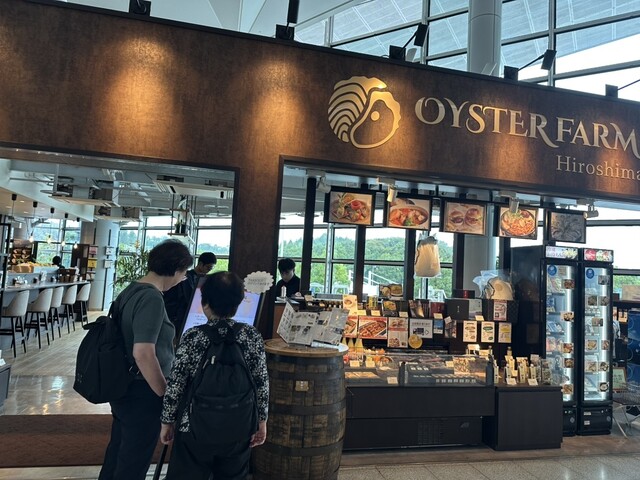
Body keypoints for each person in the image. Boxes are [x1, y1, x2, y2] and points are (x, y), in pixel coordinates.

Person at [98, 239, 193, 480]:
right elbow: (143, 353)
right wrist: (164, 393)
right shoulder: (151, 298)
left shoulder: (131, 290)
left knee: (119, 452)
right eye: (184, 272)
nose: (183, 279)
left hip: (124, 386)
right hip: (143, 391)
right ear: (176, 268)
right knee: (133, 461)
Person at [160, 271, 268, 479]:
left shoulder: (193, 336)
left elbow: (176, 384)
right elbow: (261, 382)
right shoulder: (252, 335)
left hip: (193, 426)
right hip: (239, 425)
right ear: (238, 303)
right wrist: (261, 420)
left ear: (205, 303)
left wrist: (167, 421)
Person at [163, 252, 217, 328]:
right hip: (180, 315)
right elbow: (185, 297)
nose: (209, 270)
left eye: (211, 268)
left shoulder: (206, 280)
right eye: (208, 267)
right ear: (201, 264)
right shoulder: (186, 278)